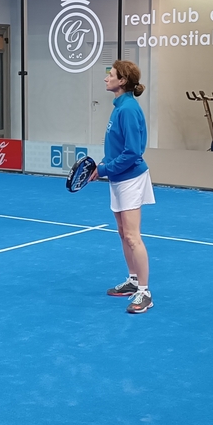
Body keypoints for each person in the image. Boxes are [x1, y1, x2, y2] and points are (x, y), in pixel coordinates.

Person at [89, 60, 154, 314]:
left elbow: (133, 152)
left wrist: (105, 169)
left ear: (122, 81)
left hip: (130, 179)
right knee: (122, 232)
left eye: (111, 75)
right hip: (118, 177)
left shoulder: (127, 109)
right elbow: (117, 148)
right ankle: (133, 280)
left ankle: (145, 293)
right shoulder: (119, 107)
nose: (106, 78)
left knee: (132, 236)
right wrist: (104, 166)